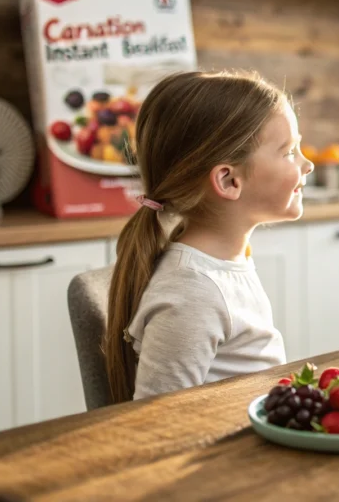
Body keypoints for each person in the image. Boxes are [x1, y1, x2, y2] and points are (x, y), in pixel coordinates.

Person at [104, 70, 314, 403]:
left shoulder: (227, 262)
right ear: (229, 181)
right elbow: (157, 424)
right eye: (289, 152)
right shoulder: (193, 292)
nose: (308, 165)